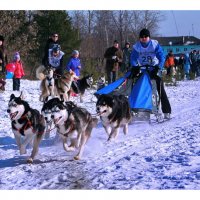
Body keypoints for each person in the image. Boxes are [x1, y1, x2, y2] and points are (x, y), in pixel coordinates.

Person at [130, 28, 171, 119]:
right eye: (142, 37)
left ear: (149, 37)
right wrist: (135, 66)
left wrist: (159, 66)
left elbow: (162, 57)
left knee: (160, 89)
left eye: (146, 37)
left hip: (154, 68)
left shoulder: (154, 44)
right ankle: (138, 110)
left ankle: (166, 111)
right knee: (139, 88)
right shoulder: (137, 46)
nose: (144, 38)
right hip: (143, 69)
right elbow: (133, 58)